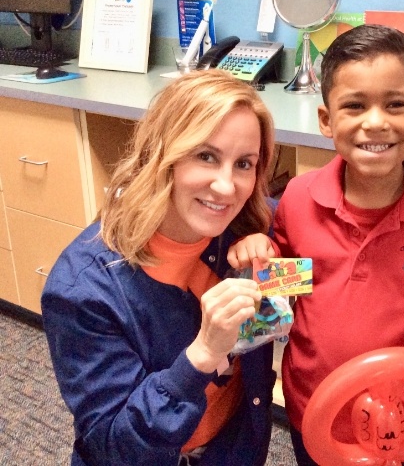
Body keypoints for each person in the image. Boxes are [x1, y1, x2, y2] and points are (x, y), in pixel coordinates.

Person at [229, 24, 404, 466]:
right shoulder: (299, 199)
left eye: (395, 105)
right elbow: (294, 279)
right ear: (326, 121)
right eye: (355, 106)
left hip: (402, 416)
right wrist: (264, 254)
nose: (376, 121)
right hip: (313, 407)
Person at [41, 70, 278, 466]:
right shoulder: (84, 289)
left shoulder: (244, 224)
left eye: (244, 164)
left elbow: (326, 211)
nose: (226, 186)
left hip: (234, 448)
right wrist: (201, 354)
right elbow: (116, 448)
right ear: (160, 155)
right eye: (206, 156)